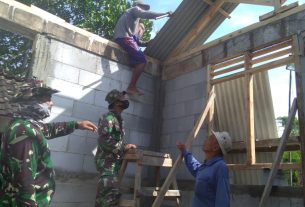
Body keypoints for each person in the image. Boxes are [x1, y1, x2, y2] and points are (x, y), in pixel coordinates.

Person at [0, 77, 97, 207]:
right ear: (32, 101)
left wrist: (76, 125)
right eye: (47, 99)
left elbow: (47, 129)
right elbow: (24, 178)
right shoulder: (24, 132)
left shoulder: (26, 125)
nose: (51, 104)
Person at [114, 0, 172, 95]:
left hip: (123, 38)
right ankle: (131, 87)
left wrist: (148, 43)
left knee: (138, 57)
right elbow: (146, 14)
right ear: (137, 5)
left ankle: (132, 84)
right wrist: (165, 14)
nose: (143, 10)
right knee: (141, 61)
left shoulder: (133, 22)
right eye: (143, 8)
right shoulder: (134, 9)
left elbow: (137, 42)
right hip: (123, 37)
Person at [94, 89, 136, 207]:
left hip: (114, 165)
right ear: (117, 102)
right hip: (107, 165)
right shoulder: (107, 118)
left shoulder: (118, 119)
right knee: (109, 198)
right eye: (123, 99)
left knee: (106, 200)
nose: (126, 101)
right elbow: (104, 140)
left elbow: (116, 140)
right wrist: (124, 148)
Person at [176, 131, 232, 207]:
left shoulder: (220, 167)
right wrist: (185, 152)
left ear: (215, 147)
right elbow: (196, 168)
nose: (206, 139)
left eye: (210, 138)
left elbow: (223, 200)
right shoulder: (206, 166)